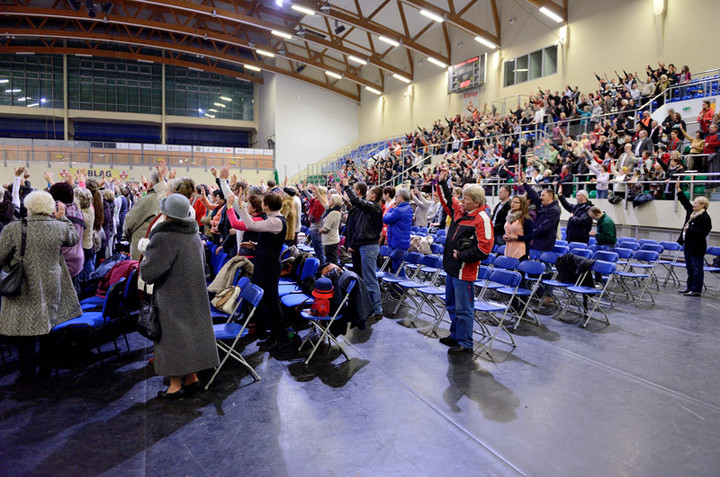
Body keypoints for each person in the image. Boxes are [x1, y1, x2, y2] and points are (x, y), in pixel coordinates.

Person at [140, 193, 219, 398]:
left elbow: (149, 273)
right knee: (191, 334)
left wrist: (146, 253)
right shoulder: (193, 234)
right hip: (195, 291)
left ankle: (175, 386)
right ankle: (192, 378)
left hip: (172, 295)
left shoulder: (164, 237)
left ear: (165, 215)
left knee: (172, 338)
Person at [0, 191, 81, 383]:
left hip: (23, 283)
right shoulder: (58, 227)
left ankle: (27, 372)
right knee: (48, 324)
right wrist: (63, 219)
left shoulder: (14, 228)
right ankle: (46, 368)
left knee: (24, 327)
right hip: (51, 282)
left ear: (29, 207)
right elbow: (73, 239)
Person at [436, 169, 493, 354]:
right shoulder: (462, 212)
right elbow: (448, 201)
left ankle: (466, 343)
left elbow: (484, 249)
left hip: (464, 271)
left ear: (476, 202)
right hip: (452, 268)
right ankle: (456, 335)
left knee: (464, 309)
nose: (462, 201)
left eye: (466, 199)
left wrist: (461, 255)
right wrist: (443, 183)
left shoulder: (482, 219)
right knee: (452, 305)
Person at [231, 191, 287, 349]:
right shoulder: (272, 219)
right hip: (265, 264)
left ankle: (279, 335)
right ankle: (271, 333)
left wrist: (240, 205)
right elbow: (271, 243)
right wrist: (256, 246)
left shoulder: (276, 221)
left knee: (272, 301)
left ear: (267, 205)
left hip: (269, 267)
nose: (261, 205)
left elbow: (251, 225)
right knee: (266, 300)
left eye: (263, 202)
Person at [342, 178, 383, 319]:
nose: (367, 193)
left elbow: (358, 202)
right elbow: (358, 226)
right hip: (362, 245)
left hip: (369, 247)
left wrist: (347, 187)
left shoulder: (374, 207)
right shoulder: (367, 209)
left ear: (374, 196)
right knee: (364, 278)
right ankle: (366, 307)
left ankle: (377, 310)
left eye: (370, 192)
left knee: (370, 279)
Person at [675, 181, 712, 297]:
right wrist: (679, 190)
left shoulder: (705, 217)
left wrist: (689, 229)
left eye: (696, 203)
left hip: (697, 247)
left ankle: (696, 290)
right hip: (688, 245)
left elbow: (704, 232)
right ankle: (689, 287)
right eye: (694, 203)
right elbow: (685, 203)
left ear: (703, 205)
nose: (694, 204)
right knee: (689, 268)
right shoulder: (692, 213)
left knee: (697, 269)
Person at [123, 169, 166, 260]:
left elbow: (130, 221)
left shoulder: (148, 200)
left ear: (150, 185)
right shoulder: (165, 200)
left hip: (141, 245)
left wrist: (125, 236)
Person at [519, 173, 561, 251]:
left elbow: (544, 228)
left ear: (550, 196)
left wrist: (528, 235)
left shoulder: (554, 210)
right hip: (536, 241)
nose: (540, 198)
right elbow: (534, 196)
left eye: (543, 196)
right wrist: (525, 183)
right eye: (541, 195)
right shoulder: (543, 205)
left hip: (544, 244)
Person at [382, 188, 413, 276]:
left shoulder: (399, 210)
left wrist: (391, 209)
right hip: (400, 241)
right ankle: (397, 288)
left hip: (398, 242)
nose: (395, 199)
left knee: (398, 269)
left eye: (396, 196)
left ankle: (399, 289)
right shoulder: (408, 208)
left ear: (401, 197)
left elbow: (385, 219)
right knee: (397, 267)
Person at [502, 195, 533, 261]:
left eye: (516, 202)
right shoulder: (509, 217)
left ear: (522, 204)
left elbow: (530, 236)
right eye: (512, 202)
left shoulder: (526, 219)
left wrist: (516, 238)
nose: (513, 204)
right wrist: (505, 236)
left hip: (520, 251)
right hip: (509, 248)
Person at [320, 194, 342, 265]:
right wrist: (317, 193)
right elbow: (324, 204)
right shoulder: (334, 211)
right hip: (331, 239)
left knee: (332, 260)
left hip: (331, 240)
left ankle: (334, 274)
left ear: (333, 202)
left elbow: (327, 227)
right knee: (331, 259)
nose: (328, 201)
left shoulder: (333, 213)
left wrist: (320, 230)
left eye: (330, 200)